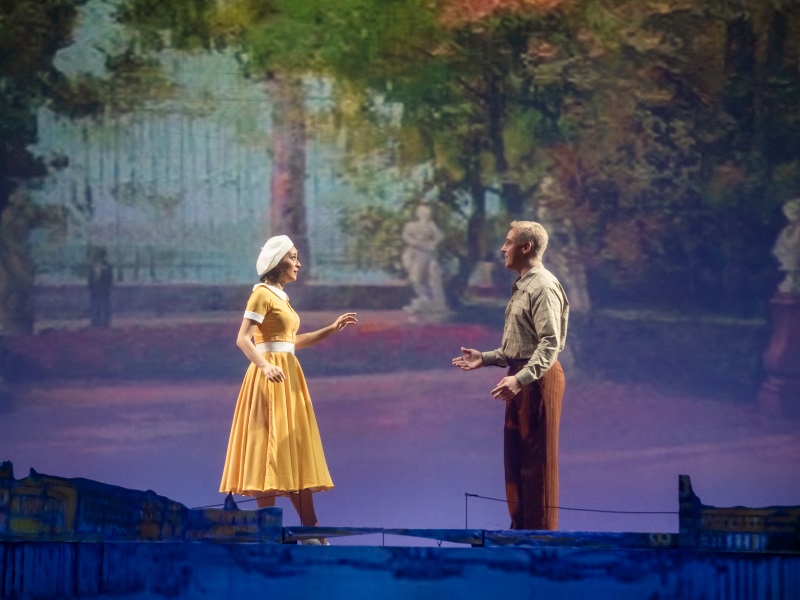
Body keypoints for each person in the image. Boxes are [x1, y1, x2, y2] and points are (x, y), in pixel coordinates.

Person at [220, 235, 357, 544]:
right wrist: (264, 366)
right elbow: (243, 338)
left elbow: (290, 342)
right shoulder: (261, 294)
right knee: (269, 446)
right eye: (293, 257)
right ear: (276, 262)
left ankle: (311, 529)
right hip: (270, 378)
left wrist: (331, 329)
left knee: (293, 448)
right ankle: (270, 530)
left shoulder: (280, 296)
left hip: (289, 377)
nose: (298, 263)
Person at [452, 221, 569, 530]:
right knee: (516, 461)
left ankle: (540, 539)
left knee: (537, 464)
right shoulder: (524, 286)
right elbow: (519, 345)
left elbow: (550, 343)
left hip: (537, 379)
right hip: (523, 374)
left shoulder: (543, 286)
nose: (503, 248)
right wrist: (486, 358)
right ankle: (522, 532)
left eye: (508, 242)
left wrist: (520, 379)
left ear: (526, 247)